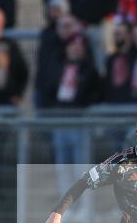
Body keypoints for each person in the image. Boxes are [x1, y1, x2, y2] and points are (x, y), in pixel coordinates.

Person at [41, 33, 103, 192]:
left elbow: (95, 93)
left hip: (79, 121)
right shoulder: (57, 66)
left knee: (80, 165)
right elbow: (48, 89)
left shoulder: (89, 69)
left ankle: (84, 204)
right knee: (63, 166)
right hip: (60, 121)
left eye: (79, 46)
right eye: (72, 45)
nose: (75, 49)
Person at [34, 0, 74, 108]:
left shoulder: (74, 38)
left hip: (65, 88)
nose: (55, 14)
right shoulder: (46, 35)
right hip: (45, 87)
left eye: (58, 10)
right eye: (52, 10)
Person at [104, 23, 135, 103]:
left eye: (120, 33)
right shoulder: (111, 58)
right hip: (113, 102)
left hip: (131, 103)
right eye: (115, 34)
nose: (116, 37)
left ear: (130, 35)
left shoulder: (136, 57)